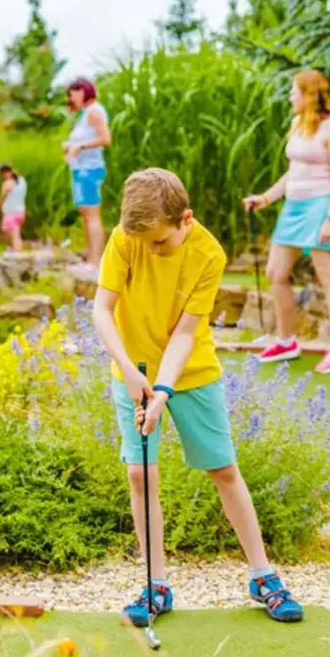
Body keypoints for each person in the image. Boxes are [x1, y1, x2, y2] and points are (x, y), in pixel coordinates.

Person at [93, 167, 305, 627]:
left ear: (184, 219)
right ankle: (157, 585)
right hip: (131, 371)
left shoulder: (209, 254)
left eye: (160, 243)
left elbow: (187, 332)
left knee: (223, 469)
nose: (151, 251)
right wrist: (130, 371)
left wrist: (163, 391)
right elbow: (101, 310)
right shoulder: (126, 238)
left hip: (190, 374)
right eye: (144, 243)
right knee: (139, 472)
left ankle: (263, 576)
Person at [243, 69, 330, 372]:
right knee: (275, 272)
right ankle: (286, 340)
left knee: (328, 276)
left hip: (322, 205)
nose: (291, 97)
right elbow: (293, 171)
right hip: (293, 207)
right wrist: (266, 198)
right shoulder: (296, 124)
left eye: (294, 91)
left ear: (308, 94)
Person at [63, 78, 111, 270]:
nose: (71, 99)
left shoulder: (94, 112)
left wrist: (79, 147)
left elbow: (105, 139)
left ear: (82, 91)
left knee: (92, 215)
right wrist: (70, 146)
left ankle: (96, 261)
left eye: (72, 94)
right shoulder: (86, 114)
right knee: (86, 214)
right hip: (81, 170)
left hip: (90, 170)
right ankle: (90, 256)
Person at [0, 163, 28, 252]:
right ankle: (12, 251)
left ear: (4, 173)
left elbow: (1, 198)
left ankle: (17, 254)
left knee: (15, 236)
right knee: (10, 235)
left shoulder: (7, 184)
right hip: (20, 213)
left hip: (11, 214)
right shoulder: (22, 180)